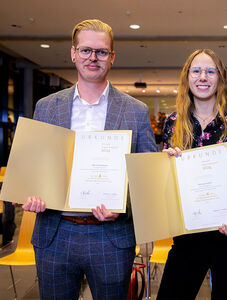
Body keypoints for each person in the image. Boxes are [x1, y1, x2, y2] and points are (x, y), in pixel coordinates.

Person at [21, 19, 157, 300]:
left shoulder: (135, 111)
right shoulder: (46, 107)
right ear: (73, 53)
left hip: (110, 236)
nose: (92, 58)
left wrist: (123, 207)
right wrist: (30, 193)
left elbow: (148, 178)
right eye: (85, 50)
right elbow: (34, 168)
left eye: (101, 52)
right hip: (55, 233)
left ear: (112, 57)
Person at [157, 49, 227, 300]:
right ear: (187, 77)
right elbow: (165, 179)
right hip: (189, 232)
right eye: (196, 70)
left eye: (210, 71)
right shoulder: (173, 121)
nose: (203, 77)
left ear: (220, 78)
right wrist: (166, 166)